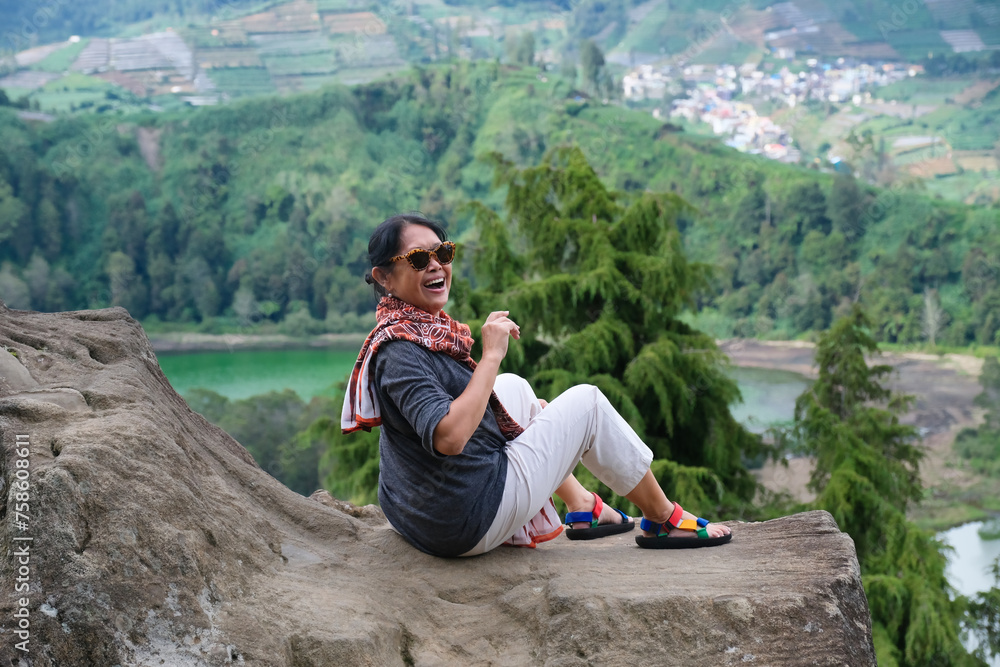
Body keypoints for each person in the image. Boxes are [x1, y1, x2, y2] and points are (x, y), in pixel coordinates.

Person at [341, 213, 732, 557]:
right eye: (418, 258)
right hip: (461, 519)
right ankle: (662, 518)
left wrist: (499, 374)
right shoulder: (399, 351)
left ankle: (582, 507)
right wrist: (491, 355)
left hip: (429, 509)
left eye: (442, 253)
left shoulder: (417, 331)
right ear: (384, 277)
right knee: (588, 403)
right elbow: (449, 439)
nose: (436, 266)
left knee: (516, 390)